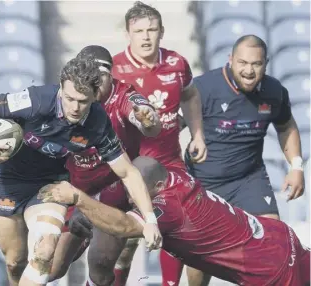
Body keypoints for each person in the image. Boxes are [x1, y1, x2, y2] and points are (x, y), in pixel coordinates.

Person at [0, 55, 161, 286]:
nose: (75, 108)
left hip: (49, 186)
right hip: (8, 182)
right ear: (60, 89)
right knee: (15, 262)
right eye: (69, 99)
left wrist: (150, 220)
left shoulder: (98, 122)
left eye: (83, 101)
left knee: (45, 250)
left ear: (94, 96)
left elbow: (128, 172)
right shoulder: (37, 100)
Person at [39, 156, 310, 286]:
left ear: (156, 185)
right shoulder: (176, 178)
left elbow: (122, 226)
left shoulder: (168, 208)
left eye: (138, 194)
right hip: (278, 236)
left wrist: (80, 199)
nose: (133, 200)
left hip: (273, 272)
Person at [183, 34, 305, 286]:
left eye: (256, 64)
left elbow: (286, 126)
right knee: (197, 262)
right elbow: (171, 127)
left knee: (274, 242)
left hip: (248, 178)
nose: (249, 70)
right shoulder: (203, 88)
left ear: (266, 63)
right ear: (230, 60)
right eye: (242, 63)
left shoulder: (273, 91)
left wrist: (296, 166)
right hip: (204, 181)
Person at [110, 2, 207, 285]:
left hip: (169, 163)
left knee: (179, 229)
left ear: (161, 31)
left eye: (152, 29)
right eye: (138, 31)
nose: (146, 36)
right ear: (128, 34)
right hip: (128, 166)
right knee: (124, 244)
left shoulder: (177, 63)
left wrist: (197, 134)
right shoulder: (116, 68)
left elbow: (190, 96)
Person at [48, 45, 162, 284]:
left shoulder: (123, 95)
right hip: (75, 190)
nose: (94, 84)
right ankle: (82, 233)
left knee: (100, 265)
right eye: (87, 79)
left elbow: (143, 116)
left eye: (100, 77)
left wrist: (148, 118)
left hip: (113, 191)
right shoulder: (69, 100)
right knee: (51, 268)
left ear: (111, 75)